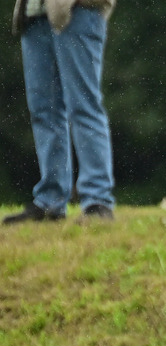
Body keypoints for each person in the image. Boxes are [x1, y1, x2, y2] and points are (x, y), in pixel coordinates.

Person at [5, 0, 116, 224]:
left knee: (84, 107)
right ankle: (50, 203)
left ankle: (98, 202)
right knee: (44, 112)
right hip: (34, 16)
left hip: (78, 11)